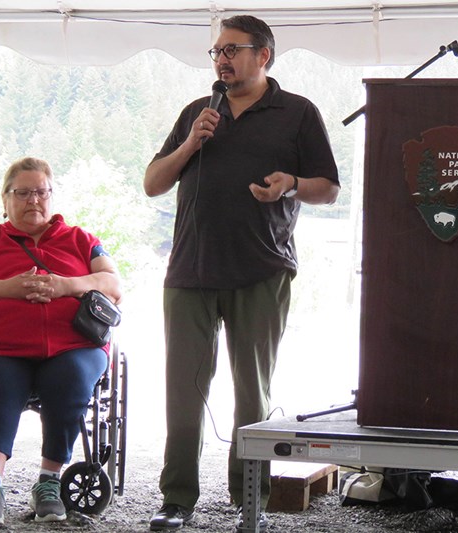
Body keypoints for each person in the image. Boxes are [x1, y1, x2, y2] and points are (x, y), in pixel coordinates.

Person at [143, 15, 339, 531]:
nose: (222, 59)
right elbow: (153, 183)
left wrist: (291, 184)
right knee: (182, 389)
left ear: (263, 55)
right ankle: (176, 498)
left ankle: (248, 496)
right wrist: (191, 143)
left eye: (232, 49)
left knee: (252, 392)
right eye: (216, 52)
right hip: (189, 271)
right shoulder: (197, 112)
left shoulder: (297, 113)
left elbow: (329, 188)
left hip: (261, 269)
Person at [0, 157, 122, 527]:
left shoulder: (81, 240)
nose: (33, 200)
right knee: (1, 387)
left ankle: (50, 483)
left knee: (70, 379)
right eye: (22, 193)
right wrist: (7, 289)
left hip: (73, 345)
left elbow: (114, 286)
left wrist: (66, 285)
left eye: (41, 192)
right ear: (5, 199)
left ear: (52, 196)